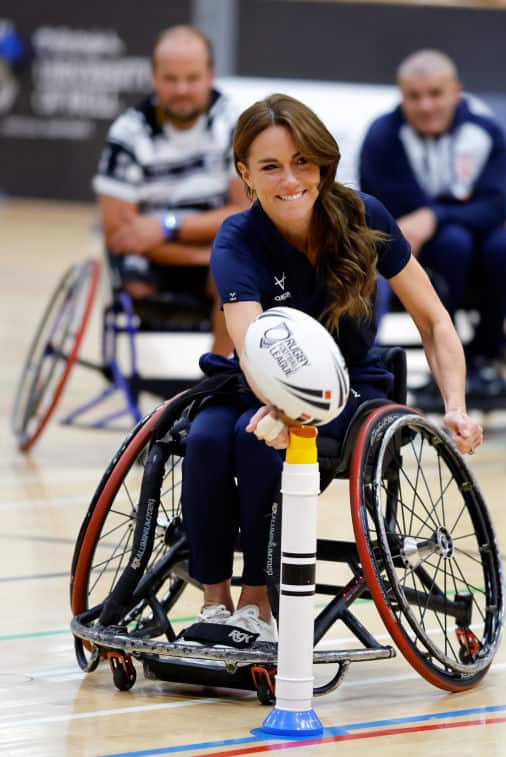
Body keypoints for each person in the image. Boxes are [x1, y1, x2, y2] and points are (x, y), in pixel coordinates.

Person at [179, 94, 483, 642]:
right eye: (270, 166)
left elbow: (434, 320)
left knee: (255, 443)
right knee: (204, 436)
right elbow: (251, 346)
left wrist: (455, 407)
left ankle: (257, 607)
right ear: (245, 174)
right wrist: (276, 403)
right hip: (259, 379)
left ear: (323, 165)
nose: (290, 179)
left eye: (303, 162)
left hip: (346, 387)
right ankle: (214, 605)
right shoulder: (237, 239)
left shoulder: (364, 216)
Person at [358, 49, 506, 402]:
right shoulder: (382, 137)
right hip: (415, 255)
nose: (425, 106)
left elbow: (495, 207)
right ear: (400, 96)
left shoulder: (486, 132)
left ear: (456, 91)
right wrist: (445, 217)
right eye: (413, 96)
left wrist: (434, 216)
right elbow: (390, 214)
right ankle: (445, 358)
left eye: (435, 93)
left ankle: (485, 355)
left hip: (478, 245)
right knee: (452, 242)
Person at [93, 25, 247, 356]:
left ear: (211, 75)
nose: (181, 89)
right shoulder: (128, 133)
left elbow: (245, 213)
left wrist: (166, 226)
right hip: (154, 259)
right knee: (133, 279)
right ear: (153, 77)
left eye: (192, 78)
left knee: (236, 275)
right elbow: (120, 234)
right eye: (170, 79)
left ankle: (214, 385)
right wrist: (198, 247)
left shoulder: (234, 123)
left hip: (213, 254)